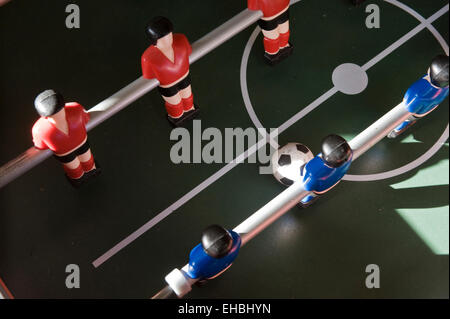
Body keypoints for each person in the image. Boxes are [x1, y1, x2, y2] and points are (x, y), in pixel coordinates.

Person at [32, 90, 100, 187]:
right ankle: (80, 177)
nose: (58, 115)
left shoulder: (76, 109)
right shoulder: (40, 129)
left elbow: (41, 146)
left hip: (75, 146)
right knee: (75, 166)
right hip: (68, 151)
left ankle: (85, 174)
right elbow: (86, 118)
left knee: (84, 161)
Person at [141, 16, 199, 126]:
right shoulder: (147, 58)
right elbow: (149, 76)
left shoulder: (181, 40)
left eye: (169, 35)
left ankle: (189, 110)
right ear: (155, 41)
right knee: (176, 105)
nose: (168, 39)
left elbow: (188, 51)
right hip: (167, 86)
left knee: (188, 98)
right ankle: (177, 117)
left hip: (184, 77)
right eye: (163, 38)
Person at [388, 54, 449, 138]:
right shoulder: (446, 87)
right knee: (414, 118)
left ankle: (397, 131)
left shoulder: (417, 93)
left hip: (416, 110)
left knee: (405, 120)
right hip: (431, 106)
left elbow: (407, 108)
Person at [301, 135, 353, 207]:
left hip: (320, 189)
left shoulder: (314, 172)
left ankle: (304, 202)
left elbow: (307, 187)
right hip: (335, 179)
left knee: (308, 195)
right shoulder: (349, 154)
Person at [247, 0, 293, 65]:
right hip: (268, 15)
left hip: (282, 8)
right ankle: (273, 53)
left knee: (284, 33)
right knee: (273, 38)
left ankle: (283, 46)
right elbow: (252, 6)